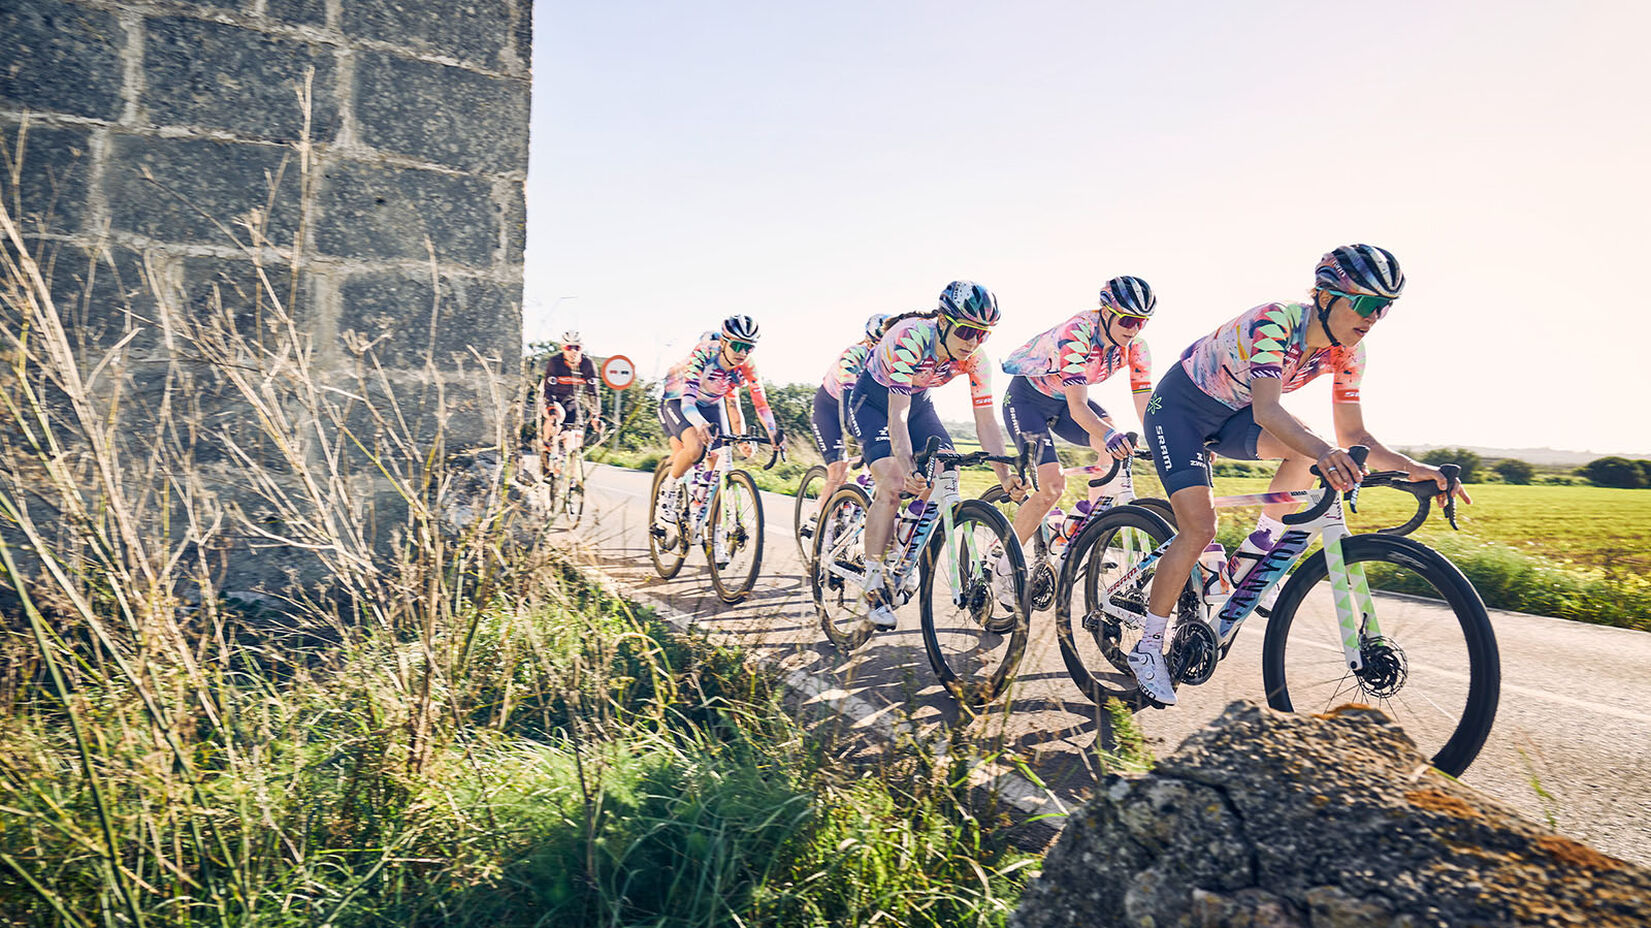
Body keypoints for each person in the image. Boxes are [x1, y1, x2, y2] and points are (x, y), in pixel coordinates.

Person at [1132, 244, 1469, 706]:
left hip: (1235, 415)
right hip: (1180, 412)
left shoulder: (1349, 352)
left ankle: (1253, 556)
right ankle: (1148, 646)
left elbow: (1355, 433)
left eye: (1385, 308)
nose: (1374, 317)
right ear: (1327, 296)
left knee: (1308, 450)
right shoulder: (1275, 321)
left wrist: (1417, 469)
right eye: (1367, 303)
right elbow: (1269, 410)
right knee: (1199, 526)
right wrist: (1327, 452)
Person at [847, 281, 1029, 630]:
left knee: (948, 472)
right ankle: (872, 578)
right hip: (872, 402)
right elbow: (895, 416)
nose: (972, 341)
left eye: (982, 334)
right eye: (965, 330)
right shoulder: (910, 338)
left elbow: (986, 422)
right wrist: (906, 463)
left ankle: (904, 555)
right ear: (943, 322)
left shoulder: (976, 359)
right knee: (894, 482)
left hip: (919, 404)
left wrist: (1005, 477)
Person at [996, 276, 1157, 606]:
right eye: (1127, 320)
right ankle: (1001, 568)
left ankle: (1088, 523)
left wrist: (1160, 438)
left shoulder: (1136, 347)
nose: (1134, 329)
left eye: (1141, 322)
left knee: (1113, 439)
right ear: (1106, 312)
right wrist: (1109, 436)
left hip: (1064, 404)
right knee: (1052, 487)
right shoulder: (1078, 333)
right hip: (1028, 401)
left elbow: (1145, 401)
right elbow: (1079, 407)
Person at [655, 315, 786, 522]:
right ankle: (668, 493)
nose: (742, 352)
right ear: (724, 342)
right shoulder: (704, 353)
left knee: (719, 454)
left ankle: (700, 506)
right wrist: (700, 424)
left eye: (749, 347)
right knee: (695, 448)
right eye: (737, 345)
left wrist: (770, 432)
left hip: (710, 404)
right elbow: (688, 402)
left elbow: (750, 404)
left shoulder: (745, 366)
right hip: (678, 399)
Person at [808, 312, 891, 517]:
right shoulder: (853, 356)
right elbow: (847, 404)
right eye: (876, 345)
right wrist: (863, 440)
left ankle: (850, 511)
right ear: (868, 341)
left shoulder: (891, 366)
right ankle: (821, 522)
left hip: (861, 409)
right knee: (839, 471)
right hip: (829, 408)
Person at [539, 332, 601, 469]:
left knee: (576, 437)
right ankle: (546, 447)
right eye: (569, 348)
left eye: (577, 348)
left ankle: (570, 476)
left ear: (581, 349)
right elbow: (548, 391)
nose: (573, 351)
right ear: (562, 348)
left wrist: (595, 416)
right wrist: (551, 412)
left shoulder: (588, 364)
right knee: (557, 417)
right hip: (552, 397)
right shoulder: (555, 363)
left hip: (572, 400)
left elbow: (594, 393)